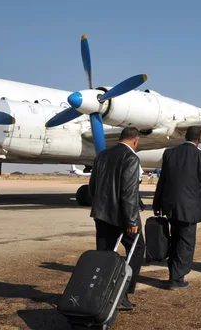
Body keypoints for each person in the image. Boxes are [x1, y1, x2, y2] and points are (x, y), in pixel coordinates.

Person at [88, 127, 145, 310]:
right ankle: (122, 292)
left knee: (104, 254)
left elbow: (93, 186)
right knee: (136, 249)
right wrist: (132, 221)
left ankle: (100, 292)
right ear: (135, 141)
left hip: (101, 213)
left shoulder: (102, 155)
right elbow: (129, 192)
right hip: (121, 216)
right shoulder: (131, 158)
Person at [153, 126, 201, 290]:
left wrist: (157, 204)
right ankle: (176, 279)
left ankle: (174, 274)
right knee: (185, 244)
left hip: (171, 207)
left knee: (174, 240)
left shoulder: (170, 153)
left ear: (185, 137)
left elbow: (162, 181)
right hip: (190, 210)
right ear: (198, 139)